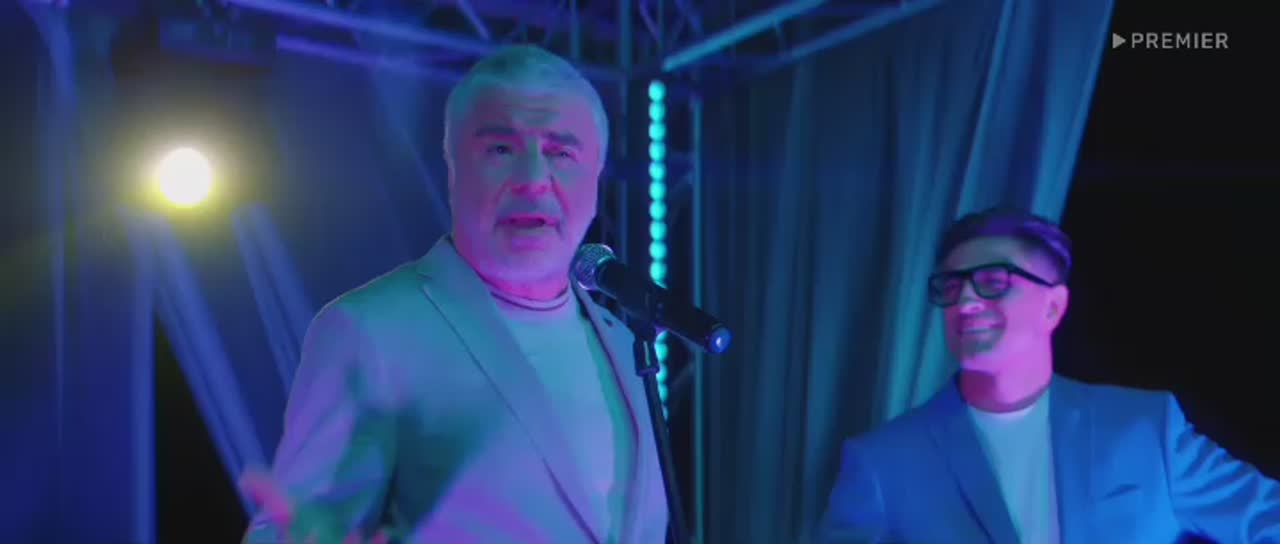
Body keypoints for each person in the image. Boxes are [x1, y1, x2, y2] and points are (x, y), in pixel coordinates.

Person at [240, 44, 668, 544]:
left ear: (596, 179)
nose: (533, 180)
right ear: (453, 172)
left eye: (561, 153)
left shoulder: (626, 346)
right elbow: (292, 530)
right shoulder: (371, 331)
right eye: (501, 150)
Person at [817, 207, 1280, 543]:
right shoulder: (883, 462)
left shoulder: (1144, 427)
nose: (966, 301)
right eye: (951, 286)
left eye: (993, 282)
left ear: (1053, 306)